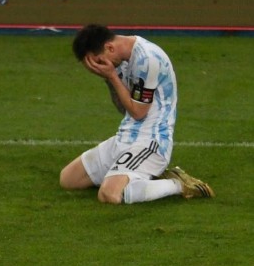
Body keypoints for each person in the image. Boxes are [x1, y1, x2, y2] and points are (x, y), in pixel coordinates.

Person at [59, 24, 214, 204]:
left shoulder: (147, 60)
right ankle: (133, 176)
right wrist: (109, 78)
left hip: (151, 142)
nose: (99, 66)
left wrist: (112, 77)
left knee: (109, 195)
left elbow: (138, 112)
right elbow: (124, 109)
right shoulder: (120, 60)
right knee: (69, 179)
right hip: (125, 137)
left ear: (109, 48)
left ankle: (178, 183)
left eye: (99, 61)